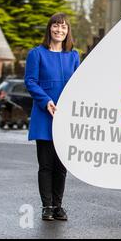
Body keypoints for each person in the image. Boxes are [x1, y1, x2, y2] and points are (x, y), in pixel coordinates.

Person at [25, 13, 80, 221]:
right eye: (56, 26)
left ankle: (58, 205)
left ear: (68, 31)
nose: (59, 30)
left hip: (66, 118)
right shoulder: (36, 54)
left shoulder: (73, 56)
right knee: (46, 165)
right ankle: (46, 206)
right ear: (49, 29)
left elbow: (79, 84)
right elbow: (30, 81)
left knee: (61, 166)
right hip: (44, 115)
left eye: (64, 27)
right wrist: (45, 99)